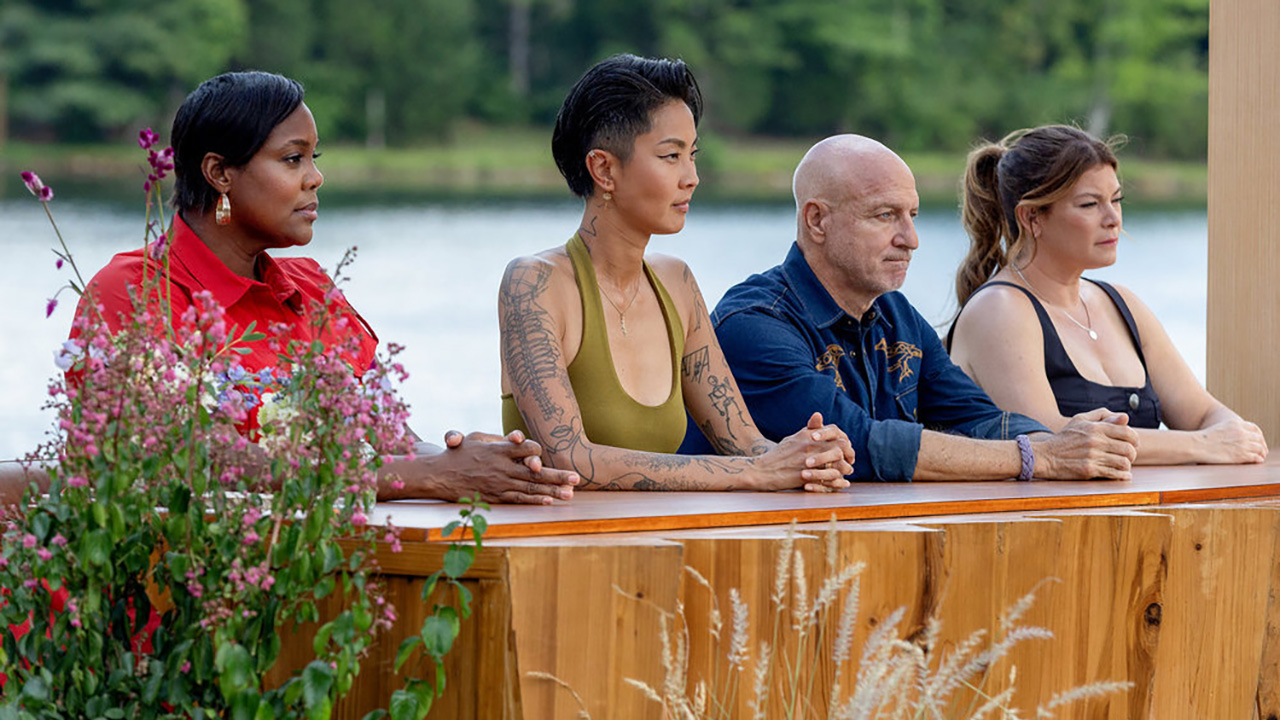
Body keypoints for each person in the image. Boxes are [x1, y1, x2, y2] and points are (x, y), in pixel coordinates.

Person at [2, 71, 581, 507]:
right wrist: (430, 476)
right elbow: (187, 462)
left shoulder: (311, 288)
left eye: (313, 157)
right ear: (219, 173)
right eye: (292, 158)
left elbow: (391, 439)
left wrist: (478, 460)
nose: (315, 177)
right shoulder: (134, 293)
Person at [498, 54, 854, 492]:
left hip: (664, 532)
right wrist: (755, 472)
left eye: (692, 155)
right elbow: (569, 458)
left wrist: (808, 456)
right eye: (671, 156)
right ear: (604, 169)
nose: (692, 177)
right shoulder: (535, 284)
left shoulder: (676, 282)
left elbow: (745, 445)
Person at [707, 134, 1140, 482]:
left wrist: (1057, 442)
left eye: (912, 215)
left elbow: (979, 418)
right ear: (817, 220)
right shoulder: (753, 324)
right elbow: (857, 444)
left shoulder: (897, 316)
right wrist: (1039, 457)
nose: (910, 239)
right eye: (885, 215)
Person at [947, 125, 1267, 465]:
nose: (1113, 219)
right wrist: (1203, 445)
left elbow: (1202, 414)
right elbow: (1052, 441)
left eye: (1116, 200)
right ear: (1031, 217)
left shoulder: (1122, 304)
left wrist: (1233, 434)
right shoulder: (999, 309)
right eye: (1090, 204)